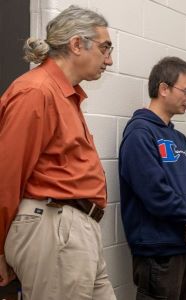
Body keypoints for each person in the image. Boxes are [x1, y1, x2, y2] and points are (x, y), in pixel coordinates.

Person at [0, 5, 115, 299]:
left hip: (75, 229)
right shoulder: (37, 91)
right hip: (56, 226)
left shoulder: (63, 94)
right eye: (105, 48)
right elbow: (6, 175)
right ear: (77, 44)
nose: (109, 60)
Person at [119, 56, 186, 300]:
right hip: (159, 250)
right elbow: (154, 192)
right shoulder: (140, 133)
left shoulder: (180, 139)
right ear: (163, 88)